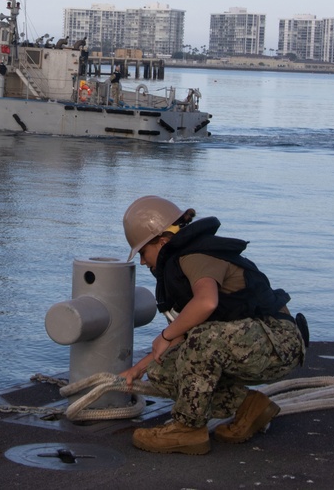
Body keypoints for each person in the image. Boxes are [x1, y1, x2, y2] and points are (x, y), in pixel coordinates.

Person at [119, 195, 306, 455]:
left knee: (203, 339)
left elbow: (206, 304)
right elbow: (188, 334)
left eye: (143, 252)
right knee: (163, 371)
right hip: (248, 340)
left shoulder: (195, 256)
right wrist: (139, 368)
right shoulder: (182, 261)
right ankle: (248, 408)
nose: (142, 261)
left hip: (280, 341)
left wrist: (165, 334)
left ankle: (188, 429)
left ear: (161, 242)